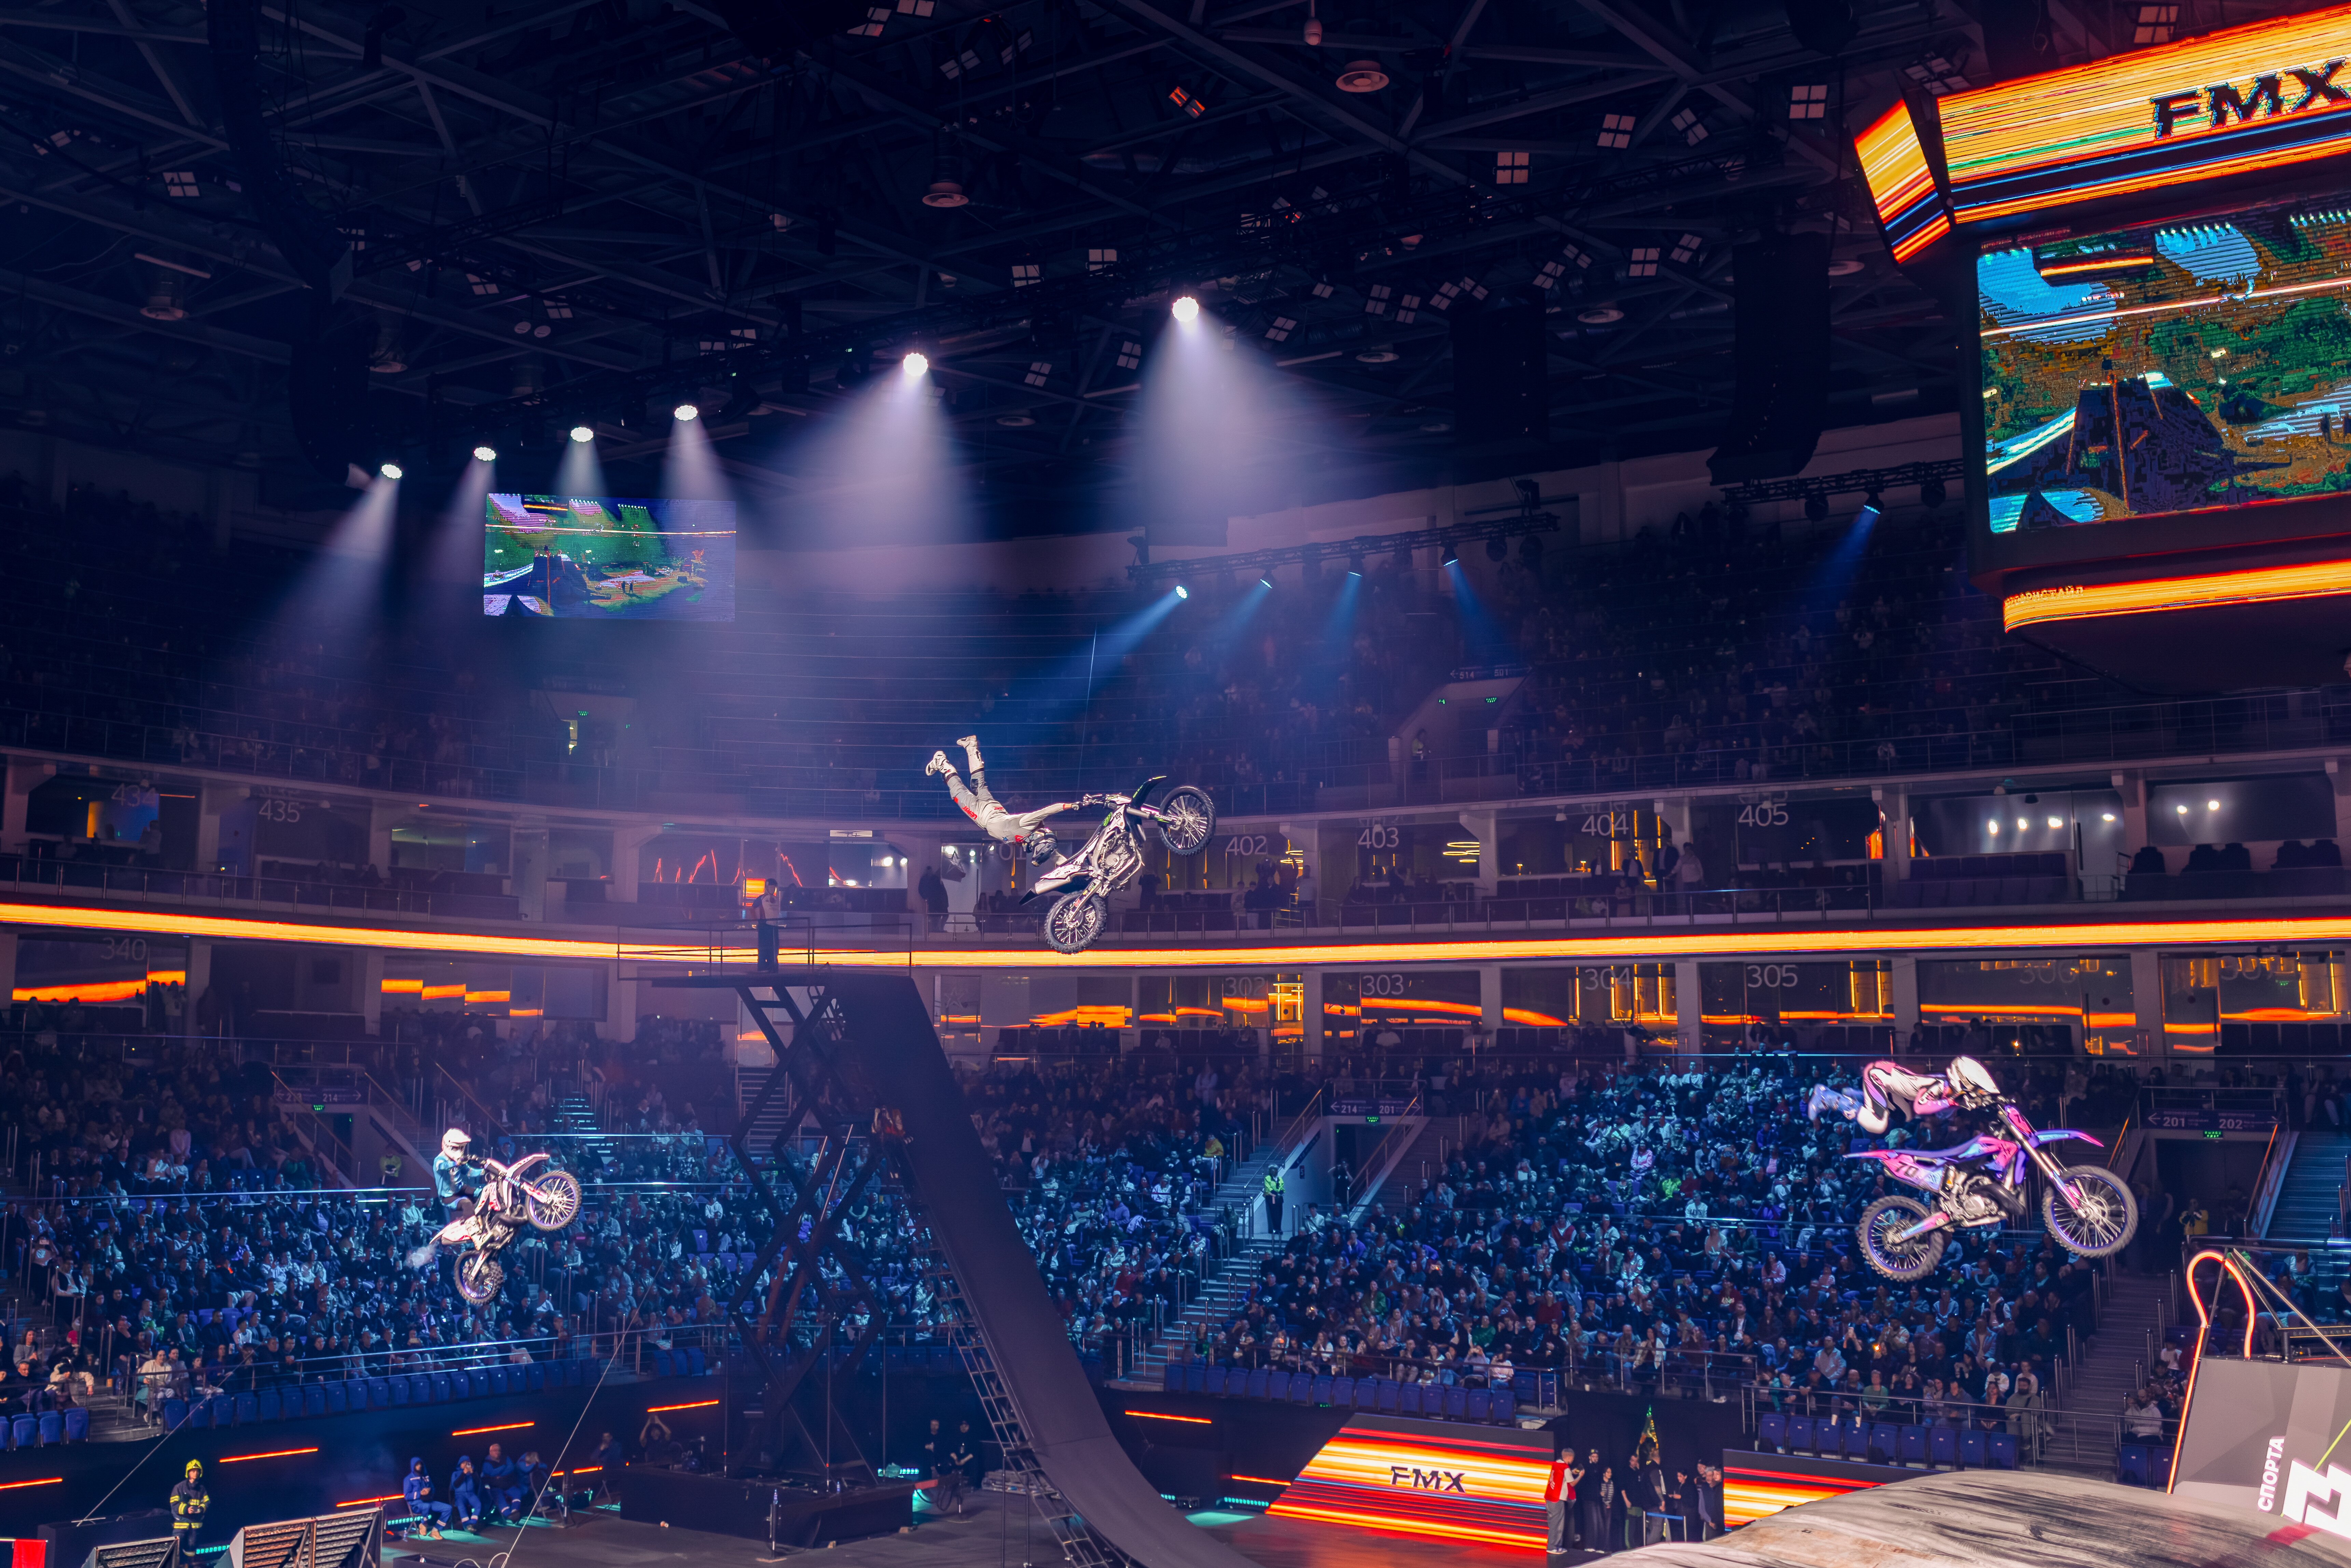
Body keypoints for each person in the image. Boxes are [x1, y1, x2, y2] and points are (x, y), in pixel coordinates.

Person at [925, 736, 1092, 864]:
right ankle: (942, 762)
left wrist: (1075, 869)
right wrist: (1073, 805)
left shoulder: (1029, 836)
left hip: (994, 809)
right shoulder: (1028, 824)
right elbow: (1048, 810)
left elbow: (1056, 857)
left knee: (977, 785)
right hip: (983, 815)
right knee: (958, 792)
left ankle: (971, 746)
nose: (1032, 847)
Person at [1806, 1056, 2002, 1135]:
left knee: (1905, 1117)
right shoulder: (1939, 1086)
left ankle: (1856, 1095)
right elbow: (1920, 1107)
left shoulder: (1945, 1086)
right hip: (1879, 1076)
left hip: (1890, 1083)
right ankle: (1828, 1097)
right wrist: (1951, 1102)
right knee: (1877, 1124)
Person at [404, 1457, 452, 1539]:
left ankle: (436, 1530)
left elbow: (433, 1489)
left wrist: (429, 1492)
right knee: (426, 1506)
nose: (419, 1466)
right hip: (416, 1505)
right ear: (413, 1466)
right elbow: (407, 1496)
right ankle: (423, 1524)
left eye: (420, 1464)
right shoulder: (408, 1479)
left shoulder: (426, 1477)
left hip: (428, 1502)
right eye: (417, 1465)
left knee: (448, 1508)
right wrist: (420, 1493)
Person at [482, 1443, 525, 1522]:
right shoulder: (487, 1463)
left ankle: (515, 1511)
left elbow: (511, 1468)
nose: (498, 1452)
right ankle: (508, 1515)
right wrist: (504, 1467)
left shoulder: (506, 1458)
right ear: (490, 1452)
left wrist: (500, 1476)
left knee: (517, 1493)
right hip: (495, 1487)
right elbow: (492, 1473)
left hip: (508, 1484)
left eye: (499, 1450)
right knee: (499, 1499)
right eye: (495, 1450)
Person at [1544, 1449, 1574, 1557]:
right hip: (1557, 1499)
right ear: (1569, 1457)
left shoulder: (1556, 1464)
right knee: (1557, 1524)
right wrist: (1580, 1476)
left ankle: (1557, 1546)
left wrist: (1571, 1473)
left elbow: (1561, 1477)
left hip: (1549, 1497)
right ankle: (1552, 1547)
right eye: (1572, 1458)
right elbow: (1572, 1483)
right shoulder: (1566, 1468)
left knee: (1554, 1523)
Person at [170, 1461, 209, 1545]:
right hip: (181, 1525)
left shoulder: (202, 1489)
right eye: (193, 1471)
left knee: (192, 1548)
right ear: (188, 1473)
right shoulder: (179, 1487)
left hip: (195, 1526)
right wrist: (187, 1509)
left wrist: (200, 1509)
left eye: (197, 1471)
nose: (196, 1473)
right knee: (176, 1546)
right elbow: (174, 1504)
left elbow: (207, 1502)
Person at [451, 1455, 484, 1529]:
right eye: (463, 1463)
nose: (465, 1465)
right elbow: (455, 1485)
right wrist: (464, 1474)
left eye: (467, 1463)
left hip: (471, 1494)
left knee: (478, 1504)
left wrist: (473, 1473)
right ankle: (466, 1524)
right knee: (461, 1506)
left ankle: (472, 1523)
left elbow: (478, 1483)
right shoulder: (455, 1474)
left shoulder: (472, 1473)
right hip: (460, 1495)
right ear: (460, 1465)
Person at [1263, 1164, 1286, 1237]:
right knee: (1274, 1215)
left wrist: (1280, 1193)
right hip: (1271, 1199)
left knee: (1280, 1214)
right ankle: (1275, 1229)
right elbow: (1269, 1188)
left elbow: (1282, 1188)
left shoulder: (1280, 1179)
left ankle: (1279, 1229)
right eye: (1272, 1170)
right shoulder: (1267, 1178)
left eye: (1275, 1170)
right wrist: (1276, 1194)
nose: (1273, 1171)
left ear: (1277, 1171)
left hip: (1279, 1199)